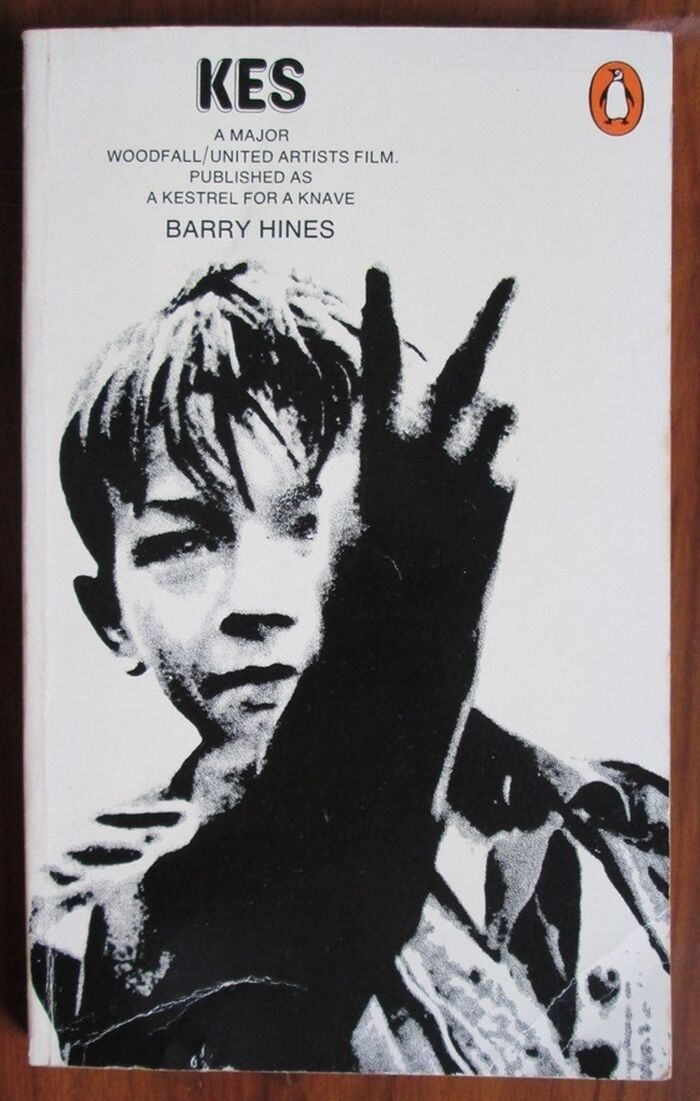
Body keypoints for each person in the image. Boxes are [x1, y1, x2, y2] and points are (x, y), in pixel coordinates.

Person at [30, 261, 669, 1077]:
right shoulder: (82, 934)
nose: (256, 600)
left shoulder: (636, 822)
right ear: (110, 616)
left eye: (318, 524)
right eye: (183, 541)